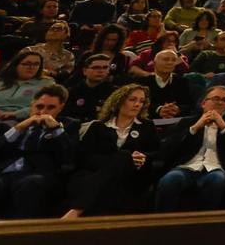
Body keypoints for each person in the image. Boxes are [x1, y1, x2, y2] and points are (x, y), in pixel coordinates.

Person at [0, 84, 76, 220]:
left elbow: (69, 157)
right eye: (39, 107)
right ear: (32, 104)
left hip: (40, 174)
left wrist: (56, 130)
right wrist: (18, 129)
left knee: (30, 183)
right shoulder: (12, 126)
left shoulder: (69, 126)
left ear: (61, 108)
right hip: (7, 172)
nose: (43, 112)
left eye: (51, 108)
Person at [63, 84, 159, 217]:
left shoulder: (147, 126)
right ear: (119, 102)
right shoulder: (98, 126)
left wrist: (143, 157)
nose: (137, 104)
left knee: (124, 158)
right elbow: (84, 157)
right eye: (132, 99)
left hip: (133, 175)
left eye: (141, 101)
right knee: (122, 158)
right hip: (95, 173)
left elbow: (157, 153)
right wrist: (113, 162)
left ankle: (77, 210)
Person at [153, 86, 225, 211]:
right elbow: (169, 147)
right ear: (203, 103)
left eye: (224, 100)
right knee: (171, 179)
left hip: (215, 168)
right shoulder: (187, 122)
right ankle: (163, 222)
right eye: (216, 98)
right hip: (186, 167)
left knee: (217, 180)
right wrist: (195, 127)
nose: (219, 102)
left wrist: (223, 126)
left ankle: (203, 225)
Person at [0, 49, 54, 126]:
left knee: (6, 126)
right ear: (15, 65)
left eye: (36, 64)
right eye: (26, 64)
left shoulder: (46, 83)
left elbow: (46, 106)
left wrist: (15, 114)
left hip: (23, 119)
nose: (31, 67)